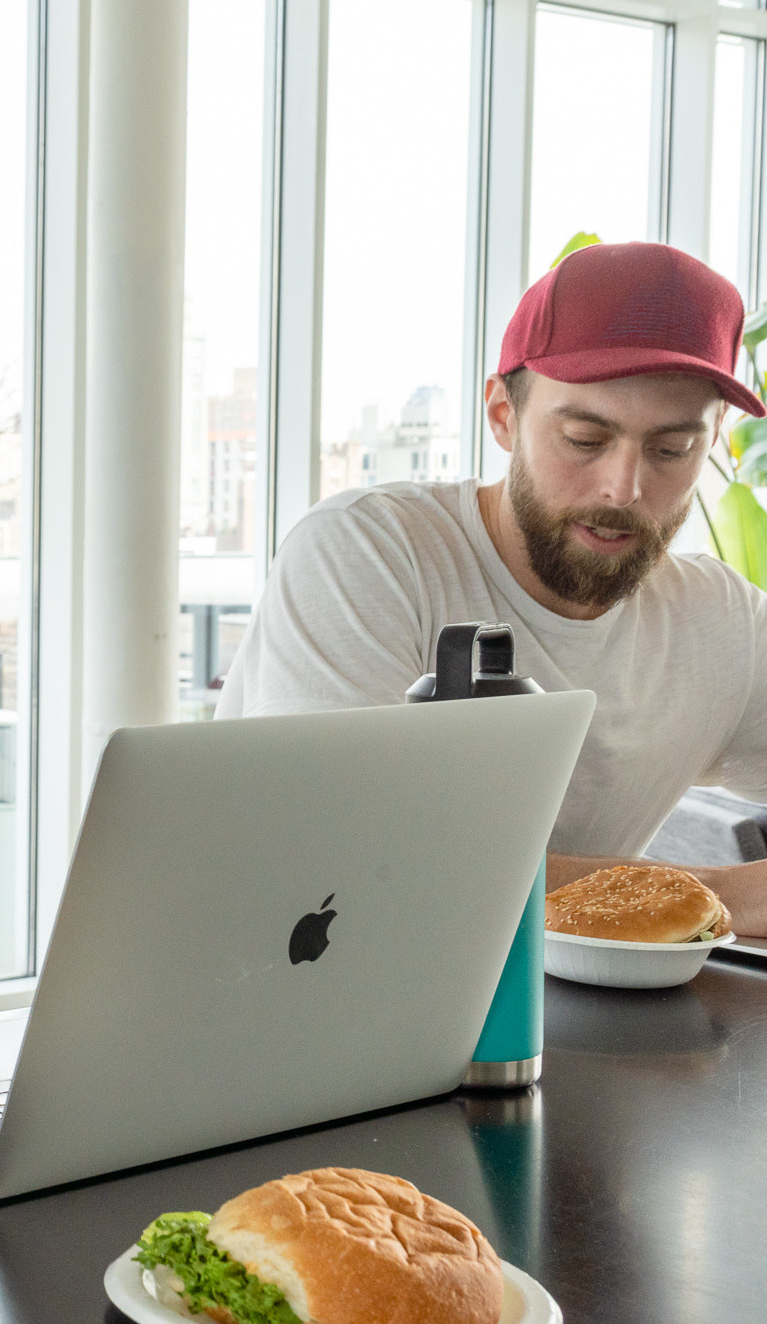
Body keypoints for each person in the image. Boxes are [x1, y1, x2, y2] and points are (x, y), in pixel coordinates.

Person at [219, 241, 767, 934]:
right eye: (584, 438)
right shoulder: (370, 553)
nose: (623, 488)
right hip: (292, 1006)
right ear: (503, 415)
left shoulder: (720, 622)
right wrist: (714, 893)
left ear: (714, 437)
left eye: (670, 450)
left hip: (561, 1022)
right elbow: (343, 868)